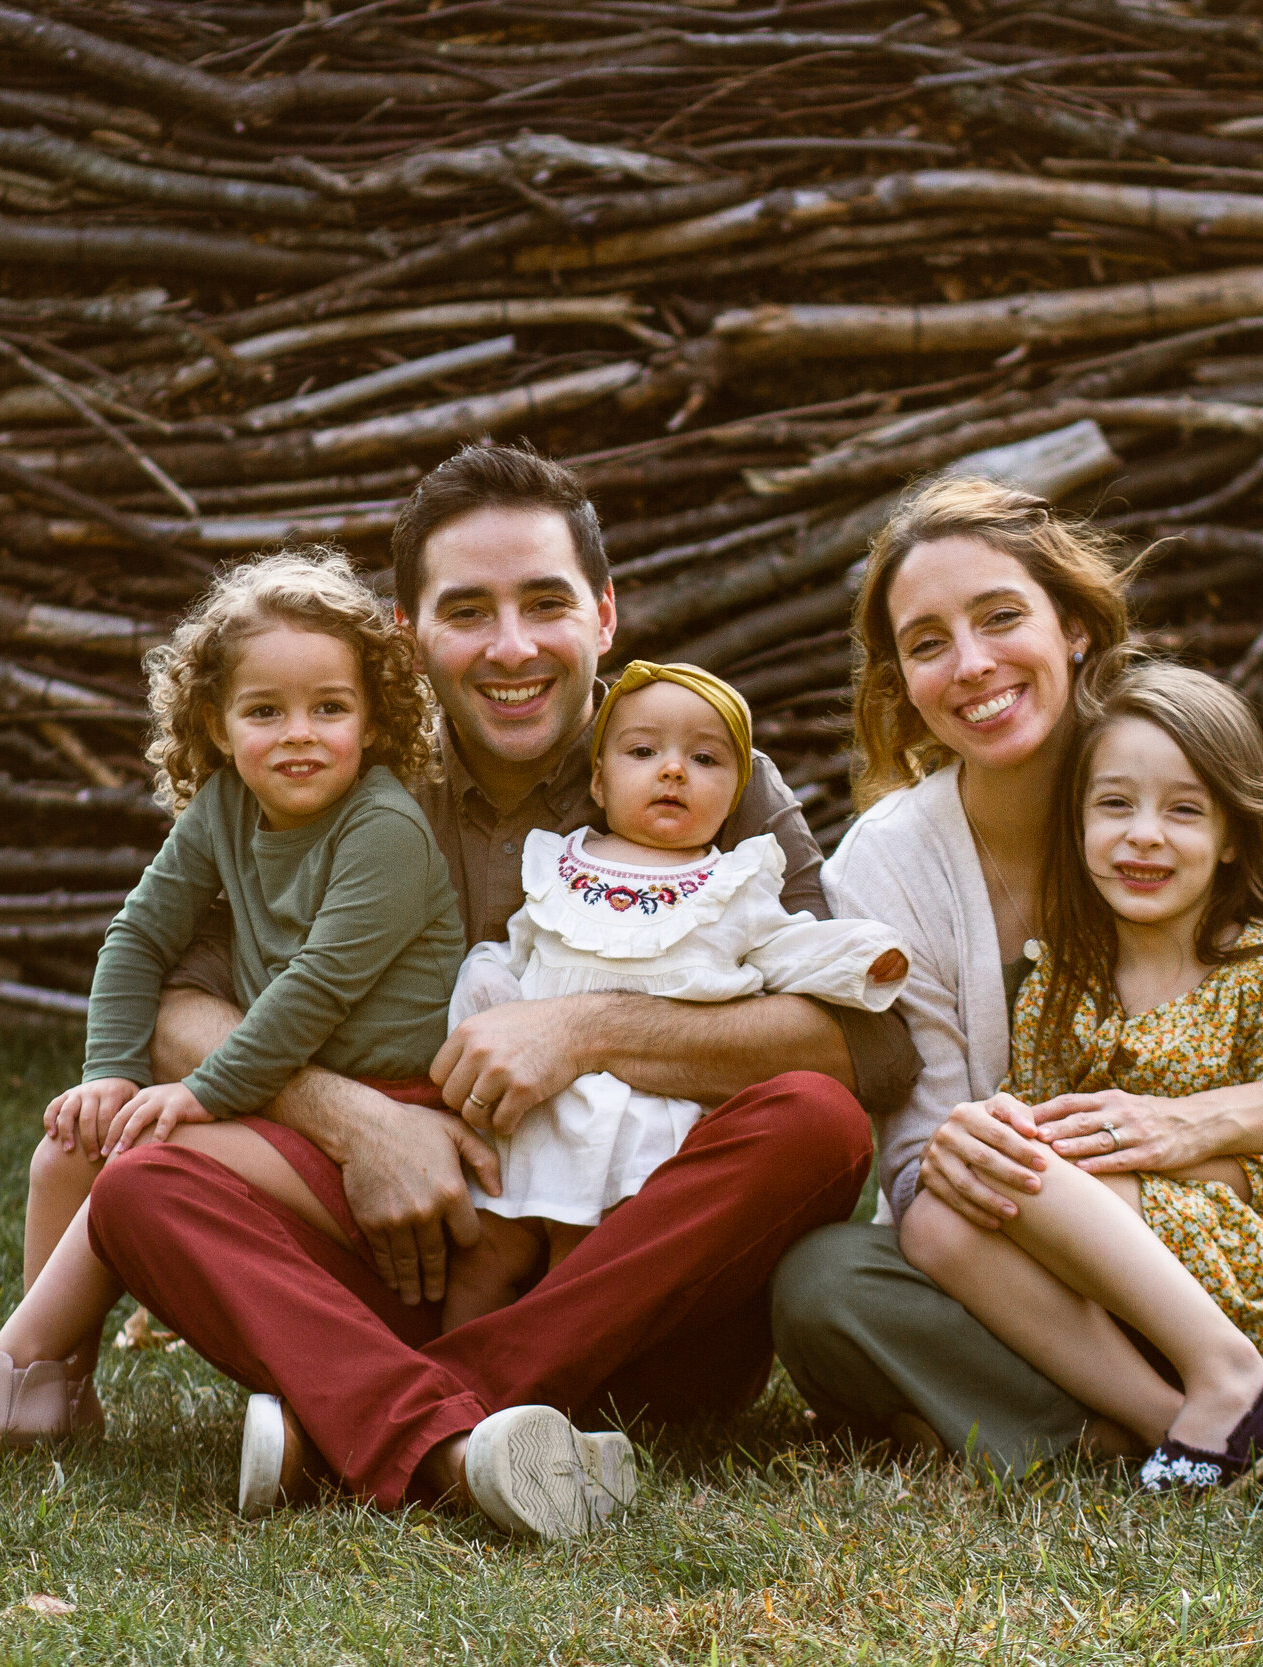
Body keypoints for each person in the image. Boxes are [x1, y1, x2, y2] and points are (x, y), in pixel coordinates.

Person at [80, 444, 916, 1532]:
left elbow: (868, 1050)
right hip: (415, 1245)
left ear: (605, 614)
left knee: (813, 1121)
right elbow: (179, 1008)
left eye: (545, 602)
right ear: (406, 633)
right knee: (142, 1192)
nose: (511, 645)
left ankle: (393, 1417)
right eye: (467, 609)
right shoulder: (345, 776)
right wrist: (357, 1122)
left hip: (641, 1280)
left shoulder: (693, 761)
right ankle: (467, 1442)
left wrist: (583, 1029)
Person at [0, 550, 632, 1538]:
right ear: (215, 726)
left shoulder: (386, 829)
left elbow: (311, 993)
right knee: (73, 1146)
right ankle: (49, 1381)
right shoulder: (224, 808)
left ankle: (12, 1377)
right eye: (264, 711)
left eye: (328, 708)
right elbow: (139, 934)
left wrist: (201, 1093)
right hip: (290, 1105)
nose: (298, 734)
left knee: (141, 1160)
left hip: (401, 1121)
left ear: (375, 720)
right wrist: (110, 1071)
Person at [772, 475, 1263, 1480]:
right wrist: (992, 1152)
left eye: (1001, 617)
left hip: (1217, 1261)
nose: (972, 663)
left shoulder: (1211, 806)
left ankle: (1085, 1434)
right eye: (926, 642)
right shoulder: (889, 859)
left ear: (1076, 626)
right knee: (824, 1286)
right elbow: (924, 1175)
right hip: (1024, 1286)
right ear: (901, 681)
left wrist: (1193, 1126)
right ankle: (1222, 1424)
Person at [900, 661, 1263, 1491]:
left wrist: (1117, 1160)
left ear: (1233, 834)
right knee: (933, 1221)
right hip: (1092, 1247)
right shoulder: (1061, 980)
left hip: (1246, 1244)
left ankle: (1231, 1372)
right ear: (1079, 823)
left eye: (1184, 810)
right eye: (1115, 804)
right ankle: (1180, 1423)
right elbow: (1038, 1143)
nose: (1144, 835)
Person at [442, 662, 908, 1328]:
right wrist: (483, 999)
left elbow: (791, 949)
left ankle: (532, 1394)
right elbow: (512, 951)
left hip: (634, 1129)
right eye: (643, 751)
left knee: (584, 1266)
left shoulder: (733, 886)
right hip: (533, 1115)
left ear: (735, 795)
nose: (672, 770)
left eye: (705, 758)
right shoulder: (559, 864)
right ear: (599, 782)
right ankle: (449, 1377)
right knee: (484, 1256)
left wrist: (864, 960)